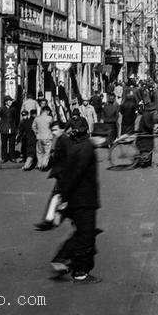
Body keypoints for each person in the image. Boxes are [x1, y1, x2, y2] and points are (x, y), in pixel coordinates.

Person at [50, 117, 101, 284]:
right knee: (86, 236)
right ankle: (80, 272)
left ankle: (61, 259)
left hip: (75, 199)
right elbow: (76, 174)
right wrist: (64, 198)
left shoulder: (73, 145)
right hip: (83, 199)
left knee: (81, 233)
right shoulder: (86, 148)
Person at [0, 96, 19, 163]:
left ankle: (12, 157)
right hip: (4, 129)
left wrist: (16, 127)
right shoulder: (1, 109)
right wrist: (1, 124)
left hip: (12, 129)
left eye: (11, 101)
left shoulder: (14, 109)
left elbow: (17, 119)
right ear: (6, 102)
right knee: (4, 144)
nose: (11, 102)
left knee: (12, 144)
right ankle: (4, 158)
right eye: (9, 101)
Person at [136, 103, 158, 168]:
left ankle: (148, 162)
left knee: (150, 147)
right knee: (146, 148)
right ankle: (144, 162)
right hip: (144, 134)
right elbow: (148, 125)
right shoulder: (146, 115)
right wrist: (153, 128)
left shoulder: (148, 114)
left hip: (146, 133)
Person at [33, 106, 54, 170]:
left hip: (39, 137)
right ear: (47, 111)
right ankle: (44, 165)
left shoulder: (37, 118)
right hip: (47, 137)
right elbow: (52, 126)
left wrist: (36, 132)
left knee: (39, 152)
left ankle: (39, 164)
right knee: (47, 152)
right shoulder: (50, 118)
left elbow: (33, 127)